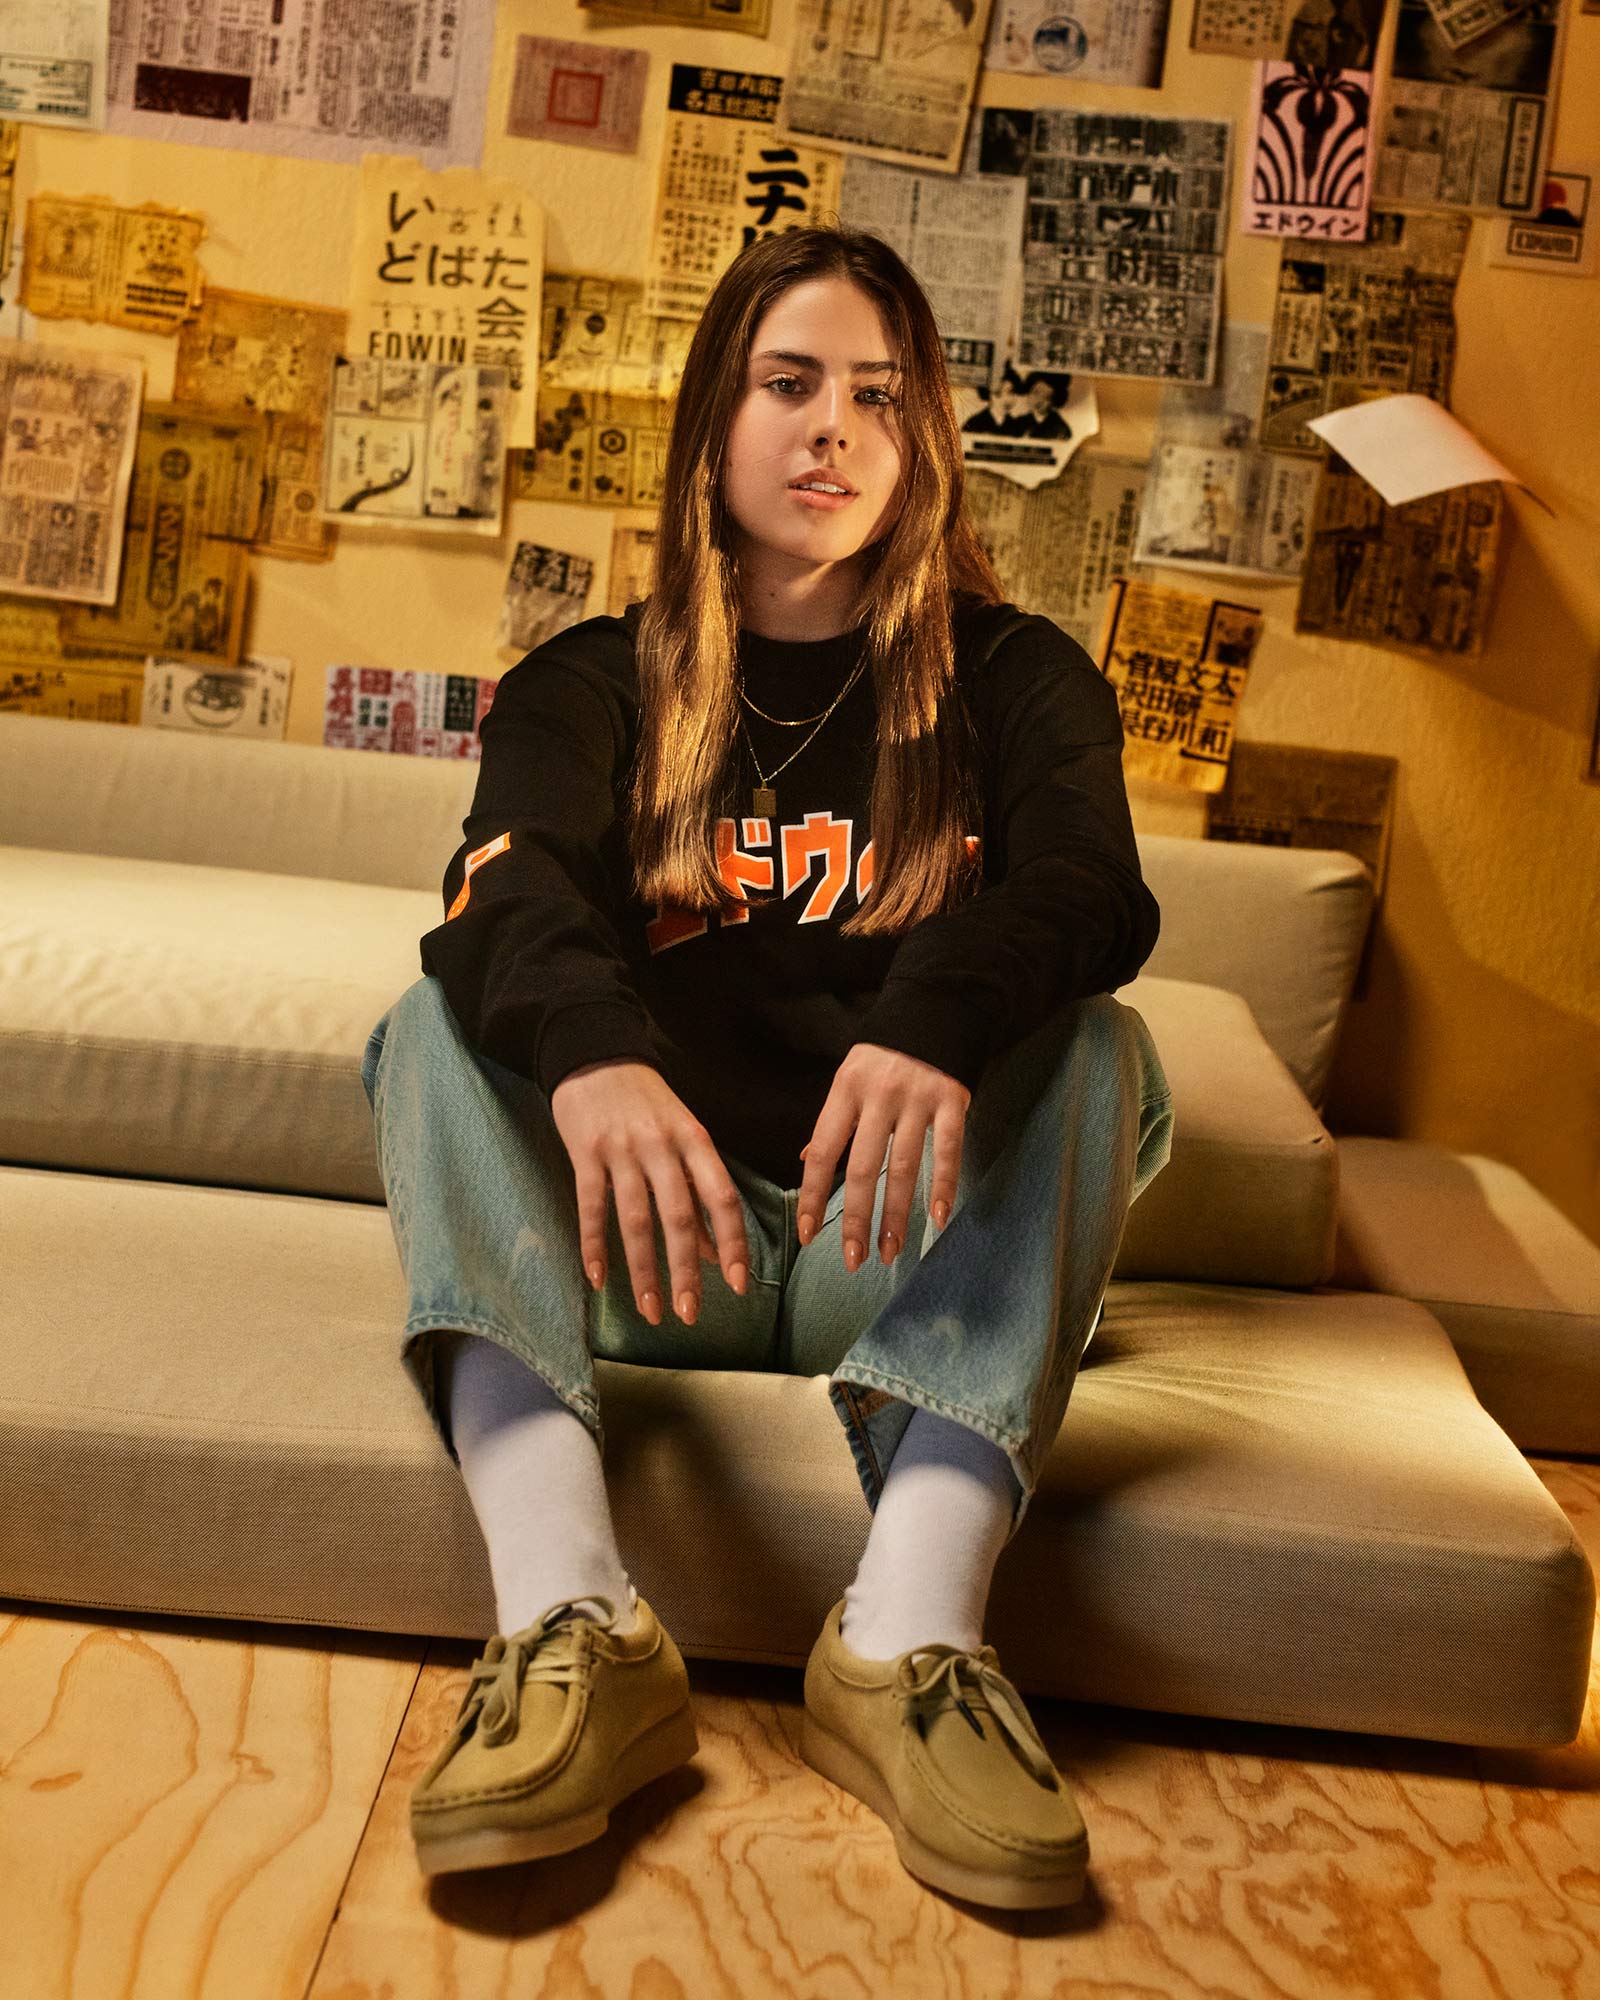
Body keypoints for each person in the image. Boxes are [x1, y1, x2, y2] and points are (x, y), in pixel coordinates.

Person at [360, 224, 1174, 1909]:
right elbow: (501, 884)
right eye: (789, 383)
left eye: (880, 395)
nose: (833, 431)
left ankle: (908, 1641)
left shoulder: (1019, 680)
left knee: (1106, 1048)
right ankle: (574, 1626)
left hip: (893, 1254)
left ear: (924, 435)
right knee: (430, 1023)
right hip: (651, 1246)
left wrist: (934, 1018)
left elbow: (1093, 889)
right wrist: (590, 1053)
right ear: (712, 425)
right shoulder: (593, 681)